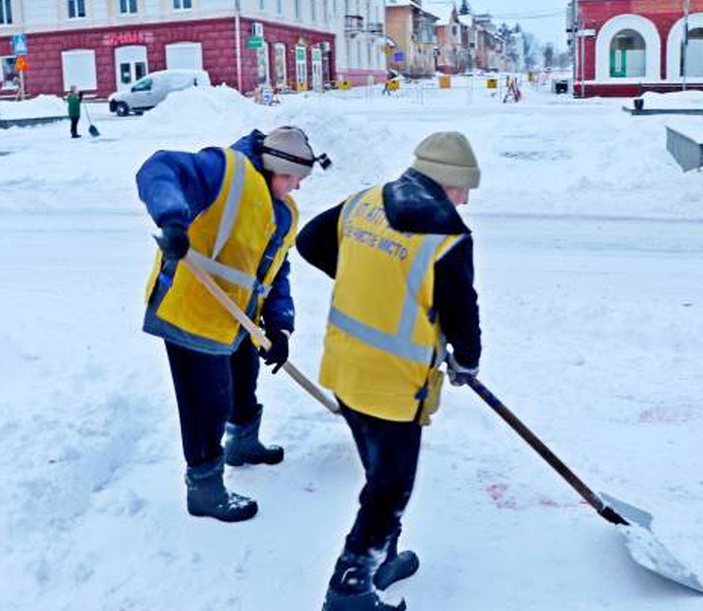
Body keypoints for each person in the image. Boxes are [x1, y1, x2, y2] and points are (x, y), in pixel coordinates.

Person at [296, 131, 483, 610]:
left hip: (345, 367)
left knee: (378, 471)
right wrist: (467, 360)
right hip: (394, 386)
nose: (464, 200)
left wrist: (371, 279)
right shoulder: (447, 235)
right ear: (445, 181)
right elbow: (462, 311)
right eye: (463, 188)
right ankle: (350, 589)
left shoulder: (366, 202)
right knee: (389, 490)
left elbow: (310, 241)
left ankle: (383, 559)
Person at [136, 126, 330, 523]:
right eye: (291, 177)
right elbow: (159, 169)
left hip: (238, 317)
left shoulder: (284, 212)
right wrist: (173, 221)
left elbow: (275, 272)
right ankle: (204, 487)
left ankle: (242, 443)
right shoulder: (223, 171)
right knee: (206, 402)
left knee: (244, 381)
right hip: (192, 310)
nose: (296, 187)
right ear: (273, 166)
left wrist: (280, 326)